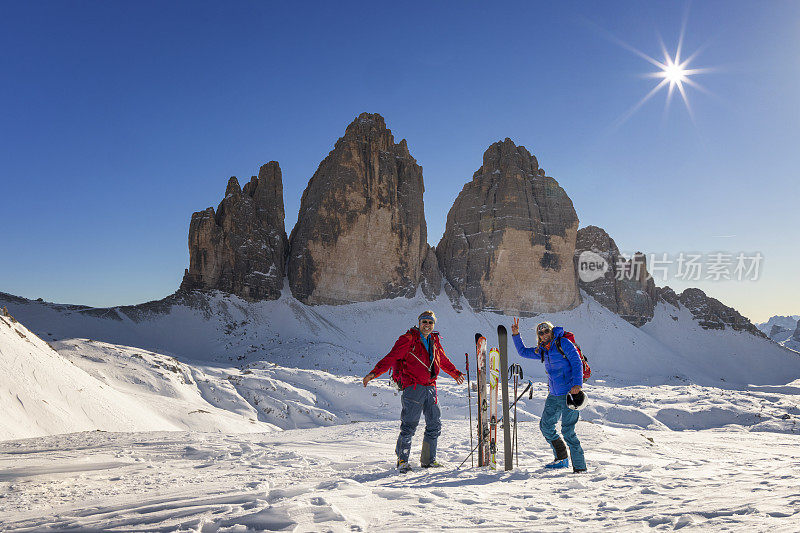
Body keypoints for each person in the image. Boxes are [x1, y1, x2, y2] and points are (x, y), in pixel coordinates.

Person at [363, 310, 464, 472]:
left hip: (431, 387)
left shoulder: (434, 341)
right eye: (425, 322)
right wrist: (374, 373)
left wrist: (455, 373)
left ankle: (428, 461)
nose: (427, 325)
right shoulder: (408, 339)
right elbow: (391, 357)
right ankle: (402, 461)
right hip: (413, 388)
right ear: (419, 322)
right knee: (409, 425)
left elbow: (442, 360)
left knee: (434, 424)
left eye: (431, 322)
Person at [511, 318, 587, 473]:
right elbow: (523, 352)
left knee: (568, 431)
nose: (544, 334)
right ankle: (561, 459)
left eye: (546, 331)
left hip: (569, 394)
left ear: (552, 331)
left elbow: (577, 362)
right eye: (541, 332)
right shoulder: (543, 350)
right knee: (546, 426)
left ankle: (580, 468)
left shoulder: (563, 343)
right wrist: (516, 334)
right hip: (553, 395)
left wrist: (577, 385)